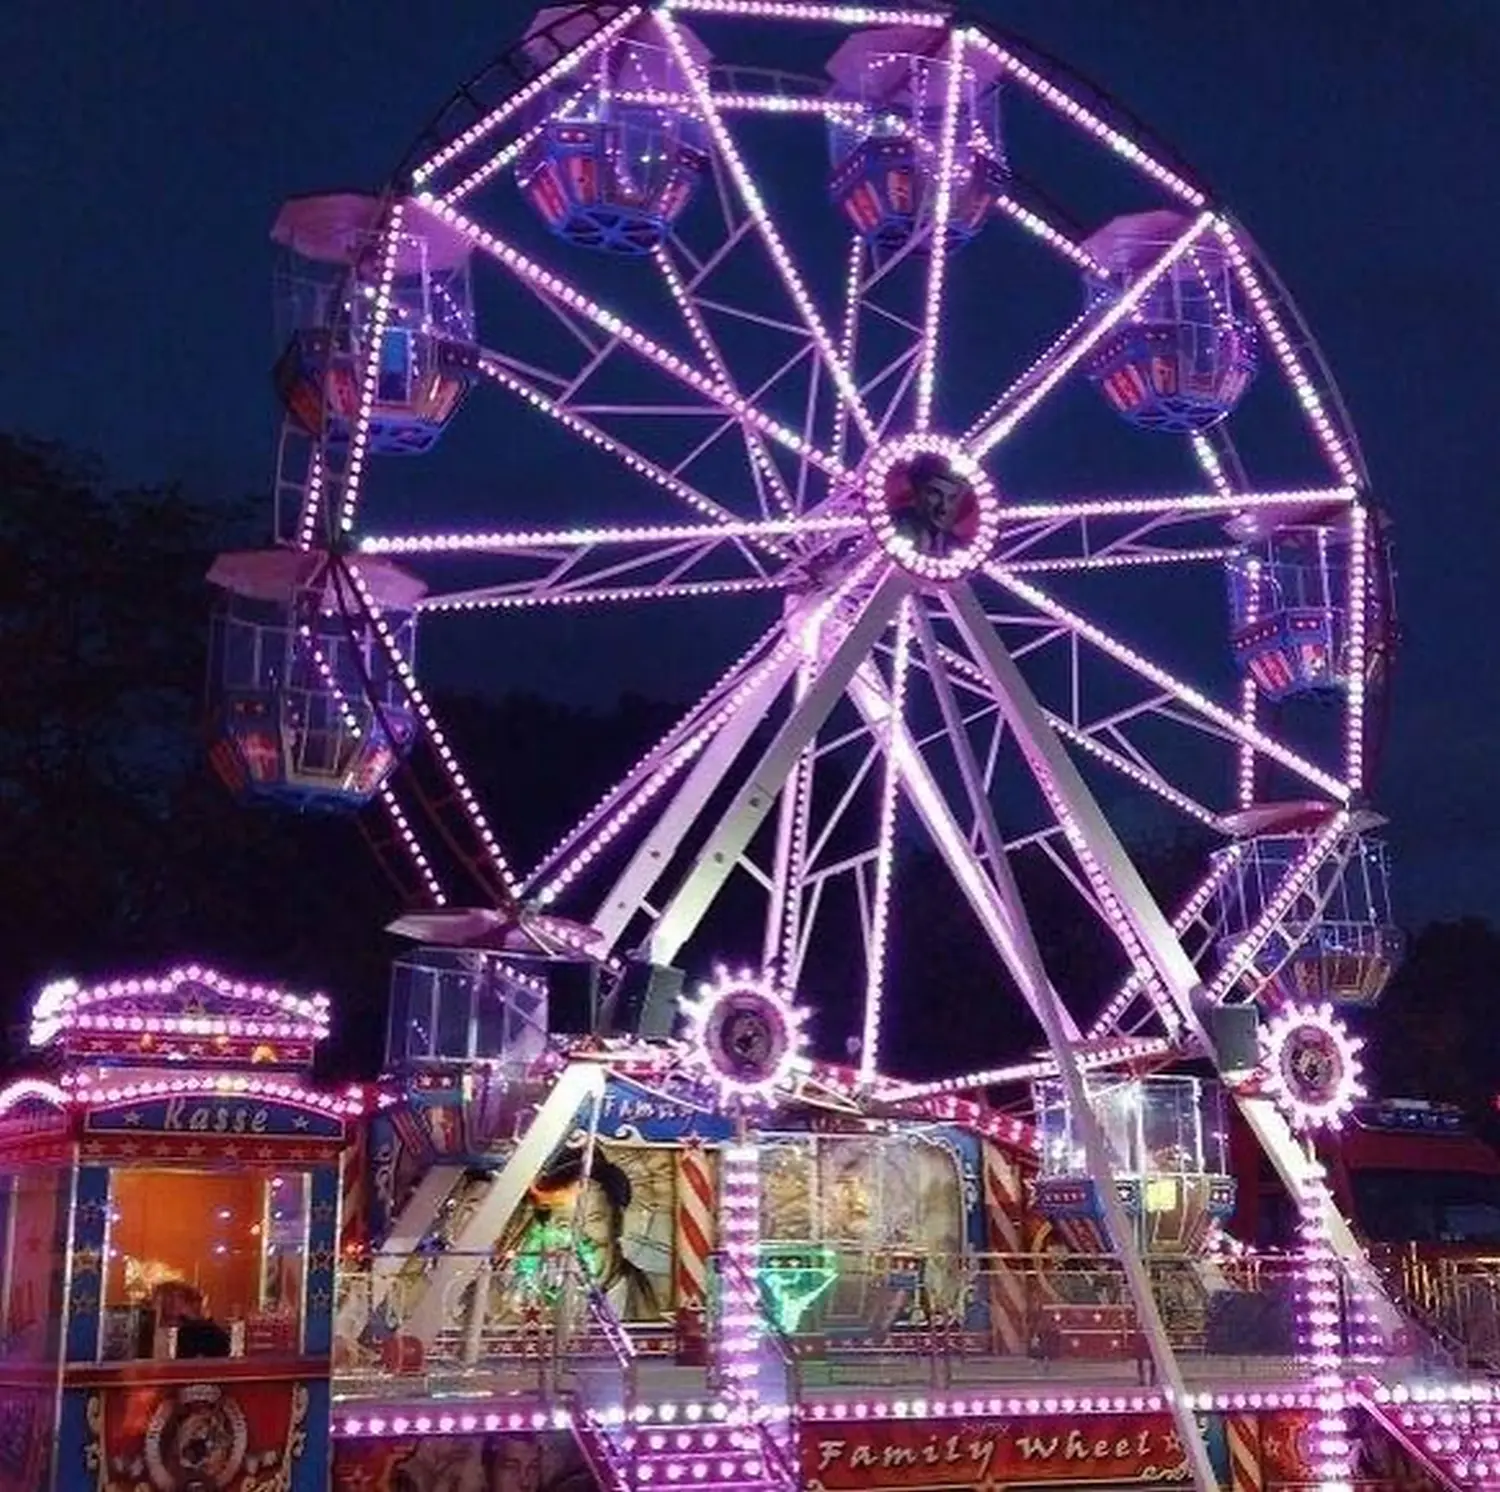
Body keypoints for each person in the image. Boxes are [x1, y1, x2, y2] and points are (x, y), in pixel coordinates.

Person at [528, 1150, 662, 1322]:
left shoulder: (657, 1297)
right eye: (564, 1224)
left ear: (618, 1222)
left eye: (594, 1219)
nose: (579, 1238)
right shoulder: (521, 1302)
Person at [153, 1281, 232, 1359]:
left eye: (179, 1296)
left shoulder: (203, 1332)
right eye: (167, 1296)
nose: (172, 1301)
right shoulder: (149, 1331)